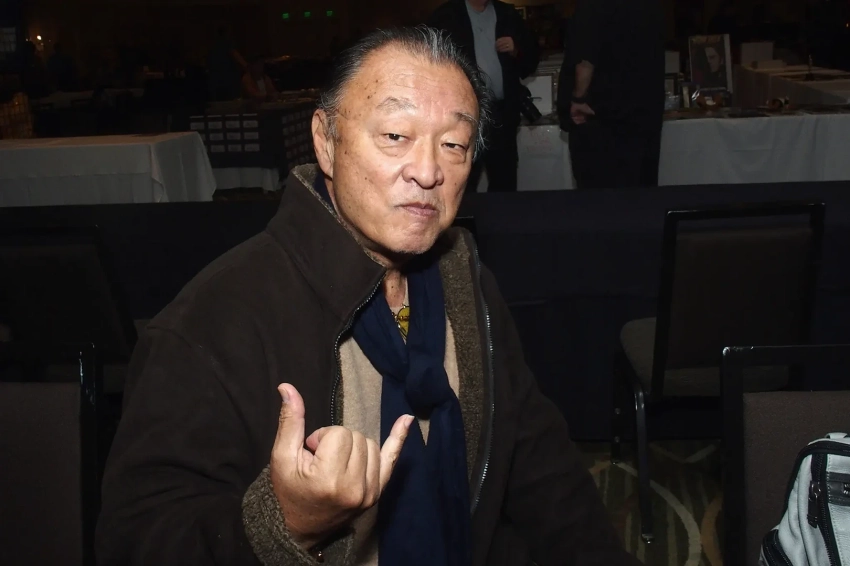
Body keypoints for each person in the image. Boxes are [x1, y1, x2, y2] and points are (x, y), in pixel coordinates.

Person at [96, 27, 637, 566]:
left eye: (453, 144)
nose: (428, 171)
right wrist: (285, 525)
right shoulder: (211, 323)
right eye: (396, 135)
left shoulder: (466, 283)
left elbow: (538, 460)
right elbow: (137, 541)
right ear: (325, 141)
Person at [428, 1, 539, 192]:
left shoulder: (507, 14)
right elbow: (429, 61)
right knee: (462, 179)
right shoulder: (446, 16)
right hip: (463, 116)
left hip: (502, 113)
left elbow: (531, 60)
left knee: (504, 178)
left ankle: (502, 212)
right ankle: (464, 213)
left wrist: (516, 49)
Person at [558, 0, 665, 189]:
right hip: (644, 116)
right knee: (641, 192)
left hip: (602, 118)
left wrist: (578, 98)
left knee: (601, 196)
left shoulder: (594, 5)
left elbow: (585, 59)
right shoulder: (651, 5)